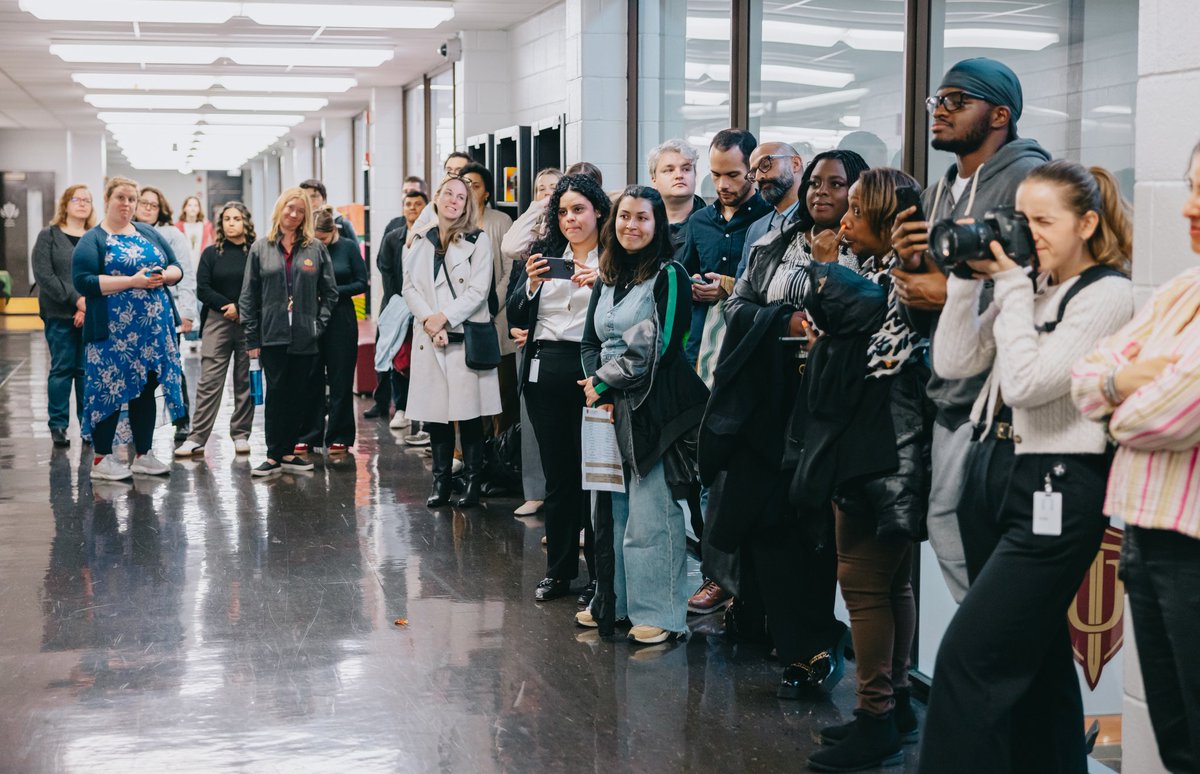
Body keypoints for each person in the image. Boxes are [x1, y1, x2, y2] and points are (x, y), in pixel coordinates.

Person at [920, 160, 1135, 774]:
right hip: (994, 472)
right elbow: (957, 362)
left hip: (1057, 486)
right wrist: (966, 281)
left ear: (1088, 223)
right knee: (1037, 664)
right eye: (1023, 218)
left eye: (1046, 220)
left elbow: (1028, 383)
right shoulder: (1034, 286)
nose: (1030, 232)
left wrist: (1011, 288)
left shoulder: (1108, 295)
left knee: (968, 659)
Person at [890, 57, 1051, 602]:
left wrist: (944, 290)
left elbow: (1037, 284)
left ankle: (988, 655)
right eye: (938, 101)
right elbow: (923, 312)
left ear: (1000, 114)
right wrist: (909, 276)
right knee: (948, 529)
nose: (941, 110)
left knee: (976, 538)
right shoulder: (937, 193)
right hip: (950, 388)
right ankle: (984, 653)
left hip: (1005, 401)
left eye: (958, 100)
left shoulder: (1031, 180)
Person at [690, 149, 869, 619]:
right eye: (815, 183)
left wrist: (826, 278)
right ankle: (760, 614)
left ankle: (810, 640)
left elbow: (864, 316)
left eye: (835, 184)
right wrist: (783, 322)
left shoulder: (866, 249)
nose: (822, 192)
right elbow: (735, 305)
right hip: (766, 393)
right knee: (761, 513)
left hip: (827, 403)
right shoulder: (776, 241)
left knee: (810, 522)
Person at [1071, 141, 1200, 773]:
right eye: (1191, 185)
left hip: (1193, 548)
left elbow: (1175, 412)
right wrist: (1126, 381)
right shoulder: (1183, 289)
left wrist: (1117, 389)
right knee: (1175, 739)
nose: (1189, 208)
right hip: (1146, 532)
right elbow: (1085, 375)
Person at [806, 168, 930, 772]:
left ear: (885, 218)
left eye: (856, 208)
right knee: (893, 583)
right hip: (886, 444)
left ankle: (876, 717)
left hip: (880, 449)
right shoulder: (885, 278)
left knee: (862, 583)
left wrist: (825, 273)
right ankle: (897, 702)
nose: (843, 218)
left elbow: (860, 352)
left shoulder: (898, 284)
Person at [575, 185, 708, 645]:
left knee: (651, 512)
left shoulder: (670, 275)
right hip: (605, 405)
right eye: (624, 216)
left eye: (642, 218)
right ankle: (615, 603)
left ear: (658, 225)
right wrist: (597, 388)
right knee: (611, 511)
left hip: (654, 406)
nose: (631, 226)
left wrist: (606, 383)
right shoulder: (605, 277)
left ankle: (661, 613)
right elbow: (590, 343)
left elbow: (664, 348)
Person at [507, 173, 610, 603]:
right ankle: (559, 570)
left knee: (596, 479)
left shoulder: (615, 260)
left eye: (579, 209)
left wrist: (600, 283)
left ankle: (600, 577)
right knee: (559, 476)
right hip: (544, 369)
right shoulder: (545, 254)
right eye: (564, 211)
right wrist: (531, 285)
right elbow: (513, 311)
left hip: (591, 370)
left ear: (598, 212)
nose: (570, 218)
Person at [71, 176, 187, 481]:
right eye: (121, 198)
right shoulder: (93, 239)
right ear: (108, 198)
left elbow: (176, 267)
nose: (127, 204)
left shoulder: (148, 232)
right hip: (110, 332)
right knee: (108, 390)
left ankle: (143, 454)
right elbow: (84, 281)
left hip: (151, 331)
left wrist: (165, 275)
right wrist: (131, 281)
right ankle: (101, 459)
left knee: (145, 388)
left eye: (132, 199)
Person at [402, 175, 501, 508]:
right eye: (448, 193)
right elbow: (409, 288)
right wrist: (431, 322)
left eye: (461, 196)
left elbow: (478, 291)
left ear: (467, 204)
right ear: (438, 198)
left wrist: (443, 317)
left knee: (469, 416)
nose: (454, 200)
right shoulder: (420, 239)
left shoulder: (478, 240)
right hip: (431, 339)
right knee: (436, 416)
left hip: (464, 337)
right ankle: (441, 481)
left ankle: (472, 482)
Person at [240, 187, 339, 477]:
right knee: (277, 393)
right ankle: (273, 454)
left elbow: (330, 293)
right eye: (289, 208)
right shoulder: (261, 247)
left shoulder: (315, 249)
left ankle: (288, 452)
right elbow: (248, 295)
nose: (294, 214)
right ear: (279, 209)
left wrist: (316, 325)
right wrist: (251, 338)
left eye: (300, 210)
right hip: (272, 334)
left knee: (298, 394)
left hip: (305, 337)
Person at [500, 166, 563, 517]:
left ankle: (557, 494)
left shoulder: (567, 231)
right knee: (530, 415)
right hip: (526, 331)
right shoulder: (531, 235)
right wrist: (513, 326)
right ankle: (534, 490)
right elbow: (512, 258)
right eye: (541, 188)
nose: (548, 194)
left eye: (555, 188)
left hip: (556, 336)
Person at [680, 129, 769, 369]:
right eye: (716, 175)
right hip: (701, 346)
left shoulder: (770, 219)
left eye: (732, 175)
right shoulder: (698, 221)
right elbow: (686, 273)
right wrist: (692, 285)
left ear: (753, 172)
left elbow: (775, 287)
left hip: (749, 346)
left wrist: (729, 286)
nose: (722, 185)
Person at [176, 202, 256, 457]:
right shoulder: (211, 253)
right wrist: (228, 306)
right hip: (217, 320)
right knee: (209, 381)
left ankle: (241, 434)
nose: (231, 223)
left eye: (236, 218)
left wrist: (242, 309)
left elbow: (261, 286)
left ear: (245, 222)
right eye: (226, 219)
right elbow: (204, 288)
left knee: (244, 381)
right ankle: (197, 437)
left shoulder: (255, 253)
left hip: (248, 322)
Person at [299, 206, 369, 454]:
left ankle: (340, 434)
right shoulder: (305, 248)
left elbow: (362, 282)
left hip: (341, 317)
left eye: (325, 240)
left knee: (341, 380)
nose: (321, 244)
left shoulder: (348, 247)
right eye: (316, 239)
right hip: (312, 318)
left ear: (333, 233)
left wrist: (334, 292)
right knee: (310, 378)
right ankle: (309, 434)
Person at [33, 184, 94, 447]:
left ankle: (87, 424)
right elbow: (44, 275)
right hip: (58, 312)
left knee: (84, 371)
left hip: (90, 312)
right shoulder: (48, 235)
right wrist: (76, 301)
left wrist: (87, 304)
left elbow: (100, 274)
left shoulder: (95, 237)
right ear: (65, 204)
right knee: (62, 368)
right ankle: (58, 425)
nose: (82, 203)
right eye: (76, 199)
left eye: (87, 200)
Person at [135, 186, 197, 442]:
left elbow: (185, 273)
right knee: (135, 371)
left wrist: (187, 312)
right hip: (133, 315)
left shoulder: (172, 234)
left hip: (166, 313)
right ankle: (136, 424)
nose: (148, 208)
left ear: (161, 209)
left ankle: (180, 419)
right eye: (144, 203)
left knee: (171, 368)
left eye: (154, 205)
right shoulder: (125, 233)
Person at [460, 161, 517, 429]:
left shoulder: (500, 221)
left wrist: (492, 301)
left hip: (498, 312)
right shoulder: (454, 224)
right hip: (465, 316)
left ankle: (501, 450)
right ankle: (473, 451)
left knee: (503, 387)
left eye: (476, 185)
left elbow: (509, 270)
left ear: (487, 193)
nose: (470, 189)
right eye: (466, 184)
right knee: (470, 389)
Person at [367, 189, 429, 432]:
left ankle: (422, 413)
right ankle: (400, 408)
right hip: (398, 304)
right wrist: (400, 302)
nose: (412, 208)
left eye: (418, 204)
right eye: (408, 204)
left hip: (425, 309)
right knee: (398, 358)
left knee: (421, 362)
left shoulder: (432, 235)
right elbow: (386, 269)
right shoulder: (393, 237)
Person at [737, 143, 804, 277]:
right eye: (753, 172)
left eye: (765, 165)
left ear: (795, 164)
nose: (759, 177)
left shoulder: (818, 221)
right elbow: (742, 286)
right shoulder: (755, 230)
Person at [647, 139, 705, 257]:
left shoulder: (710, 226)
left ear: (696, 176)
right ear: (654, 179)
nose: (679, 175)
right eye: (669, 170)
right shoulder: (642, 225)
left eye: (686, 169)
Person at [298, 178, 358, 244]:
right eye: (305, 197)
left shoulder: (341, 222)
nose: (309, 201)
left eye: (314, 196)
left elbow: (355, 250)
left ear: (324, 198)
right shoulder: (298, 223)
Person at [175, 194, 214, 272]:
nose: (193, 208)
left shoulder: (206, 227)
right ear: (184, 208)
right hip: (183, 267)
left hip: (201, 265)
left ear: (199, 209)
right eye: (190, 205)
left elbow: (211, 246)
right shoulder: (177, 227)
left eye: (196, 205)